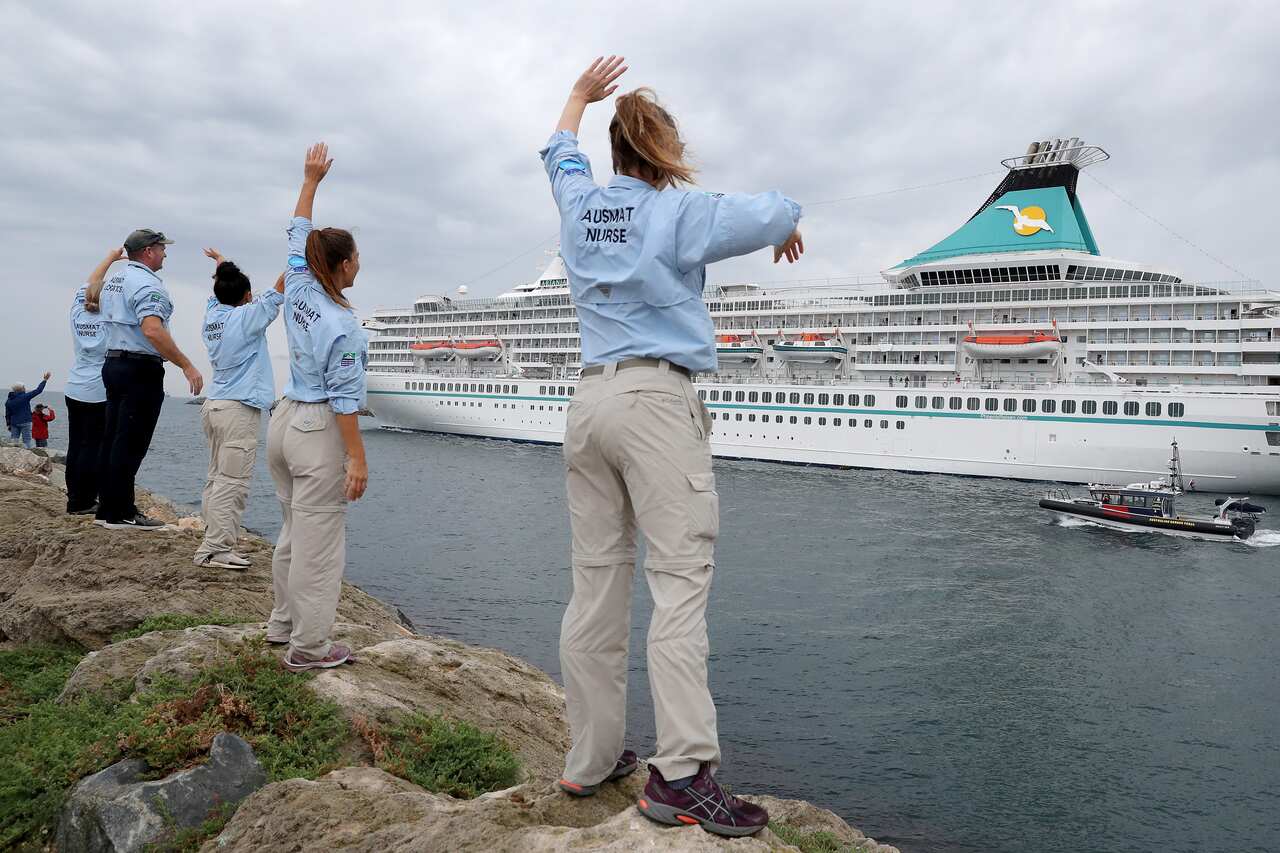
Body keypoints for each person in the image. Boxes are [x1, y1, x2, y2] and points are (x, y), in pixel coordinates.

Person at [542, 57, 804, 837]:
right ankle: (682, 773)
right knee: (679, 582)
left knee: (595, 582)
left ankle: (589, 758)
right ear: (660, 153)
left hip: (588, 402)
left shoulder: (579, 204)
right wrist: (791, 223)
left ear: (615, 149)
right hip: (656, 403)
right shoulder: (680, 211)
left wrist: (577, 98)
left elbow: (557, 152)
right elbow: (776, 209)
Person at [265, 143, 368, 672]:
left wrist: (310, 180)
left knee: (291, 530)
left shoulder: (300, 283)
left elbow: (296, 228)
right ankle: (309, 647)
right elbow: (346, 400)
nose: (359, 264)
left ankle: (282, 623)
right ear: (345, 264)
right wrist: (356, 458)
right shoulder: (343, 325)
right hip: (317, 427)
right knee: (320, 546)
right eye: (355, 257)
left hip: (282, 422)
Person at [95, 229, 204, 530]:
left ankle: (108, 508)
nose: (165, 253)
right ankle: (121, 513)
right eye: (161, 248)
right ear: (148, 252)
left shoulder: (115, 279)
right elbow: (153, 330)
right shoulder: (145, 283)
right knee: (131, 442)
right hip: (139, 369)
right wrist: (186, 365)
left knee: (113, 439)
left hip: (113, 363)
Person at [193, 249, 286, 570]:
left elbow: (221, 288)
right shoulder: (247, 317)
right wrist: (301, 257)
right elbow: (277, 292)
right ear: (247, 296)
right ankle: (215, 549)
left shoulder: (213, 316)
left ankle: (217, 537)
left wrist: (220, 263)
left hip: (214, 405)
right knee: (232, 481)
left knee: (217, 476)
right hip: (238, 409)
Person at [66, 249, 120, 514]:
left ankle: (74, 498)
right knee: (94, 447)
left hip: (73, 386)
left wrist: (110, 258)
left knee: (76, 444)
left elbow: (91, 283)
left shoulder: (77, 312)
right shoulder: (108, 320)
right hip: (97, 391)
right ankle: (85, 500)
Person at [6, 373, 50, 448]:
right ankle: (28, 453)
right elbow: (38, 390)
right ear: (21, 389)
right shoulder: (25, 397)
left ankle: (14, 454)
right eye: (24, 387)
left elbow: (8, 414)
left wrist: (8, 424)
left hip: (14, 422)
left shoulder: (9, 401)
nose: (25, 388)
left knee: (14, 440)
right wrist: (45, 380)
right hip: (25, 421)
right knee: (26, 440)